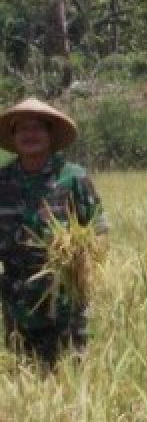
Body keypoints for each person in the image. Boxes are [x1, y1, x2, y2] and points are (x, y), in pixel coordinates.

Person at [0, 98, 108, 366]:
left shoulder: (73, 178)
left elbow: (99, 230)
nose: (30, 134)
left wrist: (81, 261)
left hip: (64, 303)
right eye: (22, 129)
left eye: (37, 128)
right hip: (17, 301)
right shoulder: (3, 181)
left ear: (50, 134)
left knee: (69, 376)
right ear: (13, 137)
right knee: (22, 378)